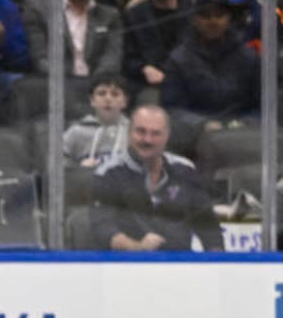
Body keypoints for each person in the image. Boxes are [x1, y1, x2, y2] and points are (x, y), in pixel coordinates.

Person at [91, 104, 225, 251]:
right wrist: (137, 248)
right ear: (129, 132)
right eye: (140, 131)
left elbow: (209, 227)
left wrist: (217, 266)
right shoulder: (108, 173)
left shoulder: (185, 170)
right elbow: (104, 229)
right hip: (127, 265)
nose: (147, 140)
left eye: (155, 134)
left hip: (180, 266)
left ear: (167, 136)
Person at [27, 0, 125, 115]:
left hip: (98, 88)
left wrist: (94, 85)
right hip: (57, 86)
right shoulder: (39, 10)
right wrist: (70, 83)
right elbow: (40, 58)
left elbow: (112, 59)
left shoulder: (110, 16)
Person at [160, 0, 261, 139]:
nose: (213, 21)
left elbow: (263, 105)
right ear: (194, 20)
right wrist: (202, 124)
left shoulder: (249, 57)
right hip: (196, 134)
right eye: (205, 15)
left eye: (219, 15)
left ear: (229, 18)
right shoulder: (178, 59)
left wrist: (244, 123)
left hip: (243, 132)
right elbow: (171, 107)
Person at [122, 0, 187, 98]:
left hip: (188, 83)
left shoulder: (192, 13)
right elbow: (127, 59)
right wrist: (143, 68)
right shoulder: (134, 16)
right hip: (150, 87)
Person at [62, 72, 131, 168]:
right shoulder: (76, 131)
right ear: (92, 100)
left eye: (115, 94)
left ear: (125, 102)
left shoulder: (134, 132)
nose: (108, 99)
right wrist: (78, 168)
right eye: (101, 93)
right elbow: (56, 163)